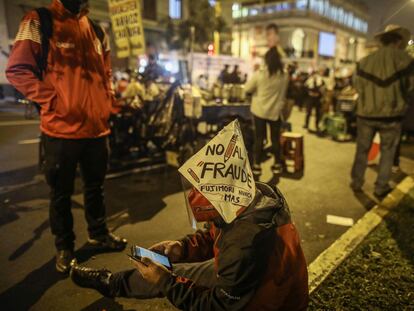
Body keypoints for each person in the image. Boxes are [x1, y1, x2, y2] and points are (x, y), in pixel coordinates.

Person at [70, 120, 309, 311]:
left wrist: (165, 283)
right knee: (173, 273)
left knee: (172, 281)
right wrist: (181, 249)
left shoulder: (244, 244)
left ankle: (115, 282)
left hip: (268, 303)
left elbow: (218, 305)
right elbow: (214, 235)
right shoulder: (245, 200)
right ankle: (110, 282)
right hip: (257, 287)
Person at [6, 0, 127, 273]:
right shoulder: (40, 21)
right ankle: (65, 248)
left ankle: (98, 234)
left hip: (97, 129)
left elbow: (104, 73)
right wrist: (53, 101)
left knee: (95, 188)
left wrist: (110, 103)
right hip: (60, 131)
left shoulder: (96, 29)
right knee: (61, 194)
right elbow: (17, 70)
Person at [351, 24, 414, 198]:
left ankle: (357, 182)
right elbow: (411, 87)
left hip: (366, 114)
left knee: (362, 150)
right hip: (392, 116)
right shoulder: (407, 60)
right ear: (398, 41)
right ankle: (381, 187)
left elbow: (357, 85)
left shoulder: (364, 61)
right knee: (388, 152)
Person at [245, 23, 289, 176]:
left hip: (259, 111)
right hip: (275, 112)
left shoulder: (260, 73)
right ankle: (277, 165)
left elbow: (247, 88)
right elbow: (283, 95)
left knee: (259, 138)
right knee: (275, 139)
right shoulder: (284, 76)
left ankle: (257, 165)